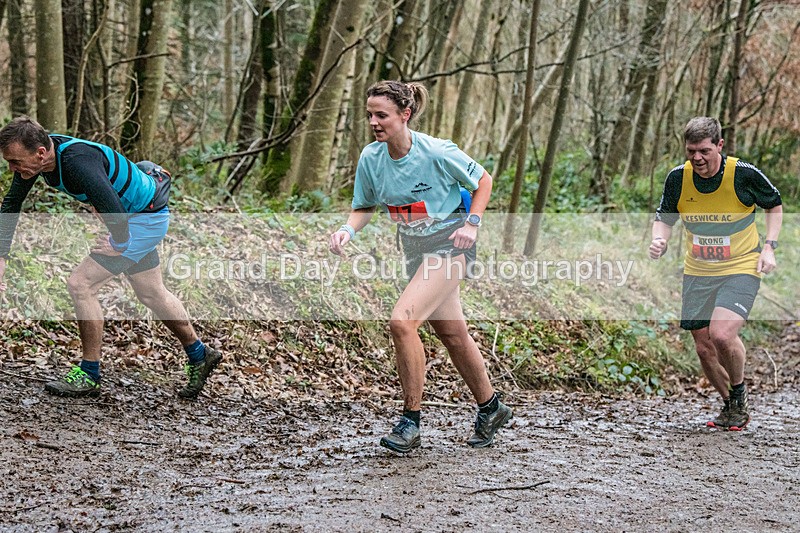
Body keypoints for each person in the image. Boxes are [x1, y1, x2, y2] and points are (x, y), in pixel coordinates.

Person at [329, 80, 512, 452]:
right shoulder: (371, 158)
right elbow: (364, 206)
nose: (374, 122)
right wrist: (347, 230)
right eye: (370, 115)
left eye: (382, 115)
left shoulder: (436, 152)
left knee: (402, 321)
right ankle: (491, 407)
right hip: (415, 251)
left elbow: (483, 180)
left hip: (451, 245)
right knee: (452, 334)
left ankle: (410, 422)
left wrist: (472, 225)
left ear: (405, 114)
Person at [0, 116, 222, 399]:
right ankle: (200, 354)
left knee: (81, 284)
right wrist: (1, 256)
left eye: (15, 162)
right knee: (152, 293)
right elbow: (11, 204)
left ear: (40, 152)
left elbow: (110, 203)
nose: (12, 168)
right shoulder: (40, 159)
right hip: (136, 217)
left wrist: (119, 242)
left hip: (143, 220)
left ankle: (89, 374)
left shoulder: (76, 162)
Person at [650, 116, 782, 430]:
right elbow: (665, 217)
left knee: (721, 335)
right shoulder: (678, 178)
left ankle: (738, 392)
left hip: (740, 266)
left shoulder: (743, 174)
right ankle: (731, 407)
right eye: (691, 151)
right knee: (703, 346)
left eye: (704, 151)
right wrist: (659, 240)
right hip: (698, 271)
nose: (697, 157)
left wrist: (770, 246)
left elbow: (774, 205)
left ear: (719, 145)